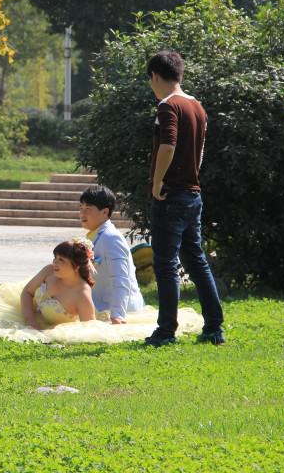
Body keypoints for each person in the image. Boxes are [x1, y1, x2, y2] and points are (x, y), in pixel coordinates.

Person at [145, 50, 225, 347]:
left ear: (155, 75)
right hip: (193, 194)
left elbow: (168, 145)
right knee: (197, 261)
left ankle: (166, 331)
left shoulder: (168, 106)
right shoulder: (197, 106)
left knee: (165, 264)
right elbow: (200, 151)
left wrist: (157, 182)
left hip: (171, 194)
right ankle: (214, 327)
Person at [79, 185, 145, 323]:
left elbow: (121, 278)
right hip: (100, 305)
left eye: (88, 209)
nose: (82, 214)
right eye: (81, 208)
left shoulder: (111, 238)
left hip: (117, 310)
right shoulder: (92, 236)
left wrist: (118, 314)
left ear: (104, 212)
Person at [20, 239, 97, 330]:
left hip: (57, 330)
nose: (55, 263)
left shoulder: (82, 294)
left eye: (61, 260)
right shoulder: (49, 271)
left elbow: (90, 328)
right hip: (28, 314)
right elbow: (27, 292)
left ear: (76, 266)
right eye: (55, 257)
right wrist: (30, 320)